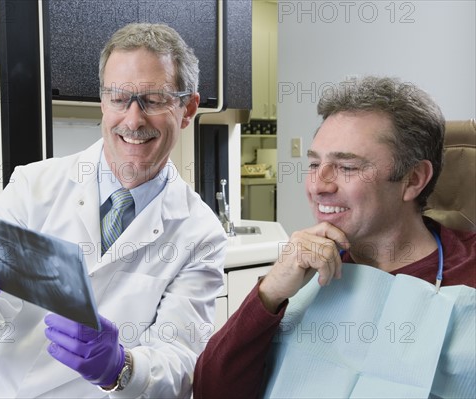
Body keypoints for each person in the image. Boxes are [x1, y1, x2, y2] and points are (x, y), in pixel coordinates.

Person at [0, 23, 227, 398]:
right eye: (119, 98)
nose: (133, 120)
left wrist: (121, 368)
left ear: (188, 109)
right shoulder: (32, 187)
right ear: (103, 103)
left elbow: (180, 362)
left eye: (153, 100)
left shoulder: (199, 233)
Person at [193, 76, 476, 398]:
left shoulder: (469, 270)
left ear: (412, 179)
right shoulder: (299, 275)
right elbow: (210, 390)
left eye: (347, 167)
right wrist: (268, 294)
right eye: (314, 164)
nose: (319, 185)